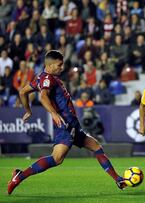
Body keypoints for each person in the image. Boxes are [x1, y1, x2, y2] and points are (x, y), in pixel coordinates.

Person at [8, 50, 126, 195]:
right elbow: (43, 97)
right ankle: (19, 176)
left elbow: (22, 92)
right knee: (57, 158)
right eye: (59, 65)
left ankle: (118, 179)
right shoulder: (48, 79)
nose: (62, 67)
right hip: (65, 125)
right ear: (50, 66)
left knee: (96, 147)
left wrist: (28, 110)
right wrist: (53, 113)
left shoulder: (41, 77)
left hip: (73, 125)